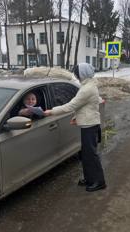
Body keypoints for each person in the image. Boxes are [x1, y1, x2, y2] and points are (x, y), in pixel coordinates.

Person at [44, 63, 106, 192]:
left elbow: (71, 106)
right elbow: (84, 106)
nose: (76, 76)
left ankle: (99, 181)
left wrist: (51, 111)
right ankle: (89, 178)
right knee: (86, 154)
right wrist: (76, 118)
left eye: (77, 73)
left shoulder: (86, 89)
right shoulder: (88, 85)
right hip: (88, 123)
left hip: (89, 125)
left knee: (91, 155)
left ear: (82, 74)